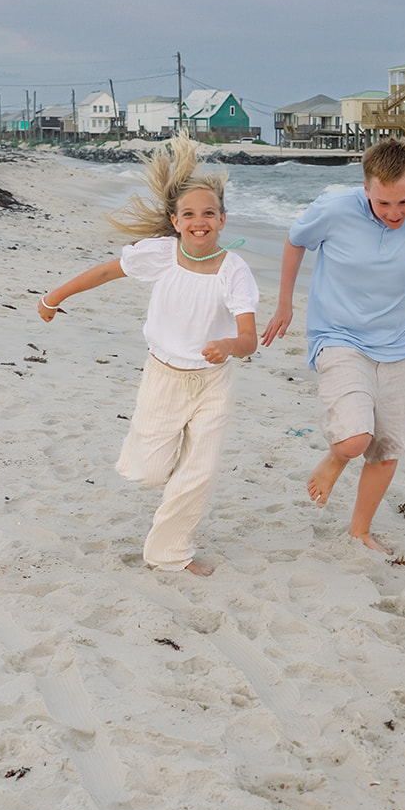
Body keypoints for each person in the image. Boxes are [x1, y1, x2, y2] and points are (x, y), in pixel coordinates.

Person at [38, 136, 258, 576]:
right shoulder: (160, 255)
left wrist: (230, 346)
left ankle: (169, 553)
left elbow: (249, 337)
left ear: (222, 220)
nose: (200, 221)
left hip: (213, 381)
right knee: (150, 471)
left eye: (209, 213)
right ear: (175, 222)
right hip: (164, 376)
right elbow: (104, 272)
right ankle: (172, 460)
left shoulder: (235, 270)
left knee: (200, 474)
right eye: (190, 214)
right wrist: (54, 296)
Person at [260, 137, 405, 554]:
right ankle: (334, 461)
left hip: (398, 345)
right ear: (366, 189)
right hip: (338, 336)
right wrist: (284, 304)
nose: (395, 214)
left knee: (386, 449)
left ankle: (360, 530)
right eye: (383, 204)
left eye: (404, 203)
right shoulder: (335, 209)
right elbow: (295, 240)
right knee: (354, 440)